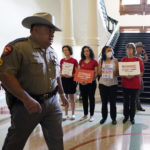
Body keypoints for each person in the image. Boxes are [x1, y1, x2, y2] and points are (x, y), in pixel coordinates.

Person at [0, 12, 69, 150]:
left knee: (57, 140)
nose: (52, 33)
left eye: (53, 30)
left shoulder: (51, 51)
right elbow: (5, 75)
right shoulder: (18, 48)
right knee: (15, 142)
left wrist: (62, 94)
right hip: (26, 105)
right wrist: (27, 100)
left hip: (52, 103)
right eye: (49, 29)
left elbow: (57, 76)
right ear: (36, 29)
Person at [121, 43, 144, 124]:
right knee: (126, 102)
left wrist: (133, 75)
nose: (129, 50)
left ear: (134, 50)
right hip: (125, 84)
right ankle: (126, 116)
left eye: (131, 48)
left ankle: (132, 117)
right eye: (128, 48)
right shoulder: (123, 60)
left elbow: (141, 73)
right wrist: (127, 76)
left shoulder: (138, 60)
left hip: (135, 84)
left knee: (133, 102)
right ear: (126, 50)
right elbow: (121, 72)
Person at [98, 46, 118, 125]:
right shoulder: (101, 60)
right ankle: (104, 117)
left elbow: (118, 73)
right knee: (104, 102)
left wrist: (114, 71)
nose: (110, 51)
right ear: (104, 52)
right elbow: (99, 73)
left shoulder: (115, 60)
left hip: (113, 84)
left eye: (111, 50)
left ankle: (113, 118)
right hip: (103, 84)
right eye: (108, 50)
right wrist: (105, 70)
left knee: (113, 103)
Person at [79, 46, 98, 122]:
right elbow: (79, 72)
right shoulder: (81, 61)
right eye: (84, 51)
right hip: (82, 84)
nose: (86, 52)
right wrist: (80, 81)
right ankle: (85, 114)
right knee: (84, 99)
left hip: (91, 83)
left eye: (87, 51)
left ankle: (91, 115)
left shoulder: (94, 62)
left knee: (91, 99)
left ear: (90, 52)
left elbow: (96, 73)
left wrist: (89, 80)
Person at [60, 45, 78, 120]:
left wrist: (71, 75)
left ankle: (73, 114)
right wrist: (62, 74)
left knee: (71, 98)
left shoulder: (74, 60)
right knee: (65, 98)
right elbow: (60, 72)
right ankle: (66, 114)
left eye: (66, 50)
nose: (65, 51)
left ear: (70, 51)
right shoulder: (62, 60)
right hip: (64, 80)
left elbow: (77, 72)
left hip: (71, 80)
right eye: (64, 50)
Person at [135, 42, 148, 111]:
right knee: (137, 90)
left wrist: (144, 53)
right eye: (140, 47)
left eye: (141, 47)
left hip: (140, 75)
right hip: (136, 76)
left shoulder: (141, 56)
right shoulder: (134, 56)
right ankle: (138, 105)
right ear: (136, 48)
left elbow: (146, 59)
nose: (141, 49)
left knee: (141, 89)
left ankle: (135, 103)